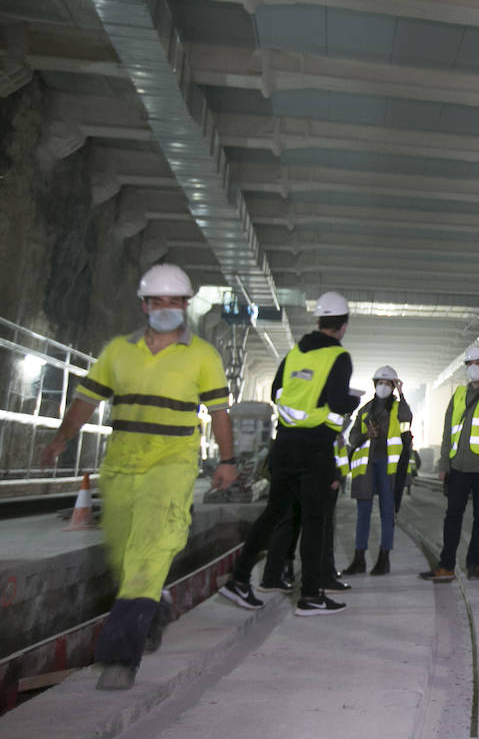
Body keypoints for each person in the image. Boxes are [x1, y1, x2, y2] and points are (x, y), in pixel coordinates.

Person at [38, 264, 236, 689]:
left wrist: (227, 460)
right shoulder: (118, 352)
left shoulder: (202, 355)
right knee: (123, 554)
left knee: (148, 552)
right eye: (157, 301)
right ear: (144, 305)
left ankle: (119, 658)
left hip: (171, 465)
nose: (166, 309)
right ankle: (156, 605)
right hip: (122, 464)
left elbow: (220, 413)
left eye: (174, 302)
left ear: (186, 307)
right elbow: (85, 400)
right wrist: (60, 440)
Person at [219, 291, 359, 616]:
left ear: (319, 320)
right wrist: (352, 402)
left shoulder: (295, 352)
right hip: (315, 449)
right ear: (344, 325)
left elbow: (277, 392)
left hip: (284, 445)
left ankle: (239, 579)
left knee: (273, 513)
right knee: (313, 520)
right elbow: (338, 402)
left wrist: (299, 412)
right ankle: (310, 596)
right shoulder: (339, 357)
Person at [419, 346, 479, 582]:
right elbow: (447, 432)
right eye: (470, 364)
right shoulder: (459, 395)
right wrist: (443, 464)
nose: (474, 368)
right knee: (453, 516)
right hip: (459, 467)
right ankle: (446, 565)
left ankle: (474, 564)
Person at [341, 366, 412, 577]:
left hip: (388, 468)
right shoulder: (365, 410)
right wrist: (366, 435)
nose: (384, 386)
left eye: (388, 383)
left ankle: (384, 559)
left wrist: (402, 393)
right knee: (363, 514)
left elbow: (408, 418)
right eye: (380, 383)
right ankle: (359, 558)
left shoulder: (399, 408)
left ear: (393, 386)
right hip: (367, 467)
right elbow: (353, 437)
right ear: (375, 385)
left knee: (387, 514)